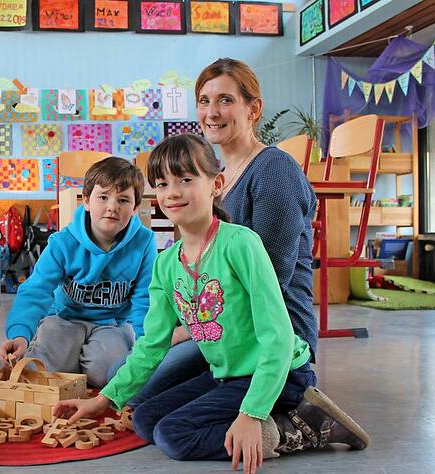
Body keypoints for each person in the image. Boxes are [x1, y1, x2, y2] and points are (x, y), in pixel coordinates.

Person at [55, 135, 369, 474]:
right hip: (227, 375)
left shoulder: (240, 244)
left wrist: (252, 413)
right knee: (145, 419)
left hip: (280, 373)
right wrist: (104, 399)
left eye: (186, 180)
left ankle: (295, 428)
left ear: (215, 184)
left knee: (173, 436)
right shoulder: (167, 264)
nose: (173, 193)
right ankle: (260, 416)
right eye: (162, 184)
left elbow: (277, 335)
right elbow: (151, 345)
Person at [107, 57, 320, 407]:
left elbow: (273, 279)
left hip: (268, 334)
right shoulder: (215, 177)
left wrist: (188, 328)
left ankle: (290, 414)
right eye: (204, 101)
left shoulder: (275, 170)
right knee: (120, 374)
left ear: (253, 109)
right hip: (218, 325)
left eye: (225, 100)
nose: (212, 112)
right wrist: (177, 328)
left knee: (140, 397)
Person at [0, 156, 156, 388]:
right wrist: (20, 334)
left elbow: (145, 298)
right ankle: (70, 358)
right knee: (44, 372)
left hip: (112, 324)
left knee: (107, 374)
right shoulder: (62, 242)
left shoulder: (144, 241)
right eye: (103, 197)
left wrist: (147, 347)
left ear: (134, 208)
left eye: (123, 200)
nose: (112, 207)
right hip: (64, 318)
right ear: (87, 201)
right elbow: (36, 290)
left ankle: (83, 361)